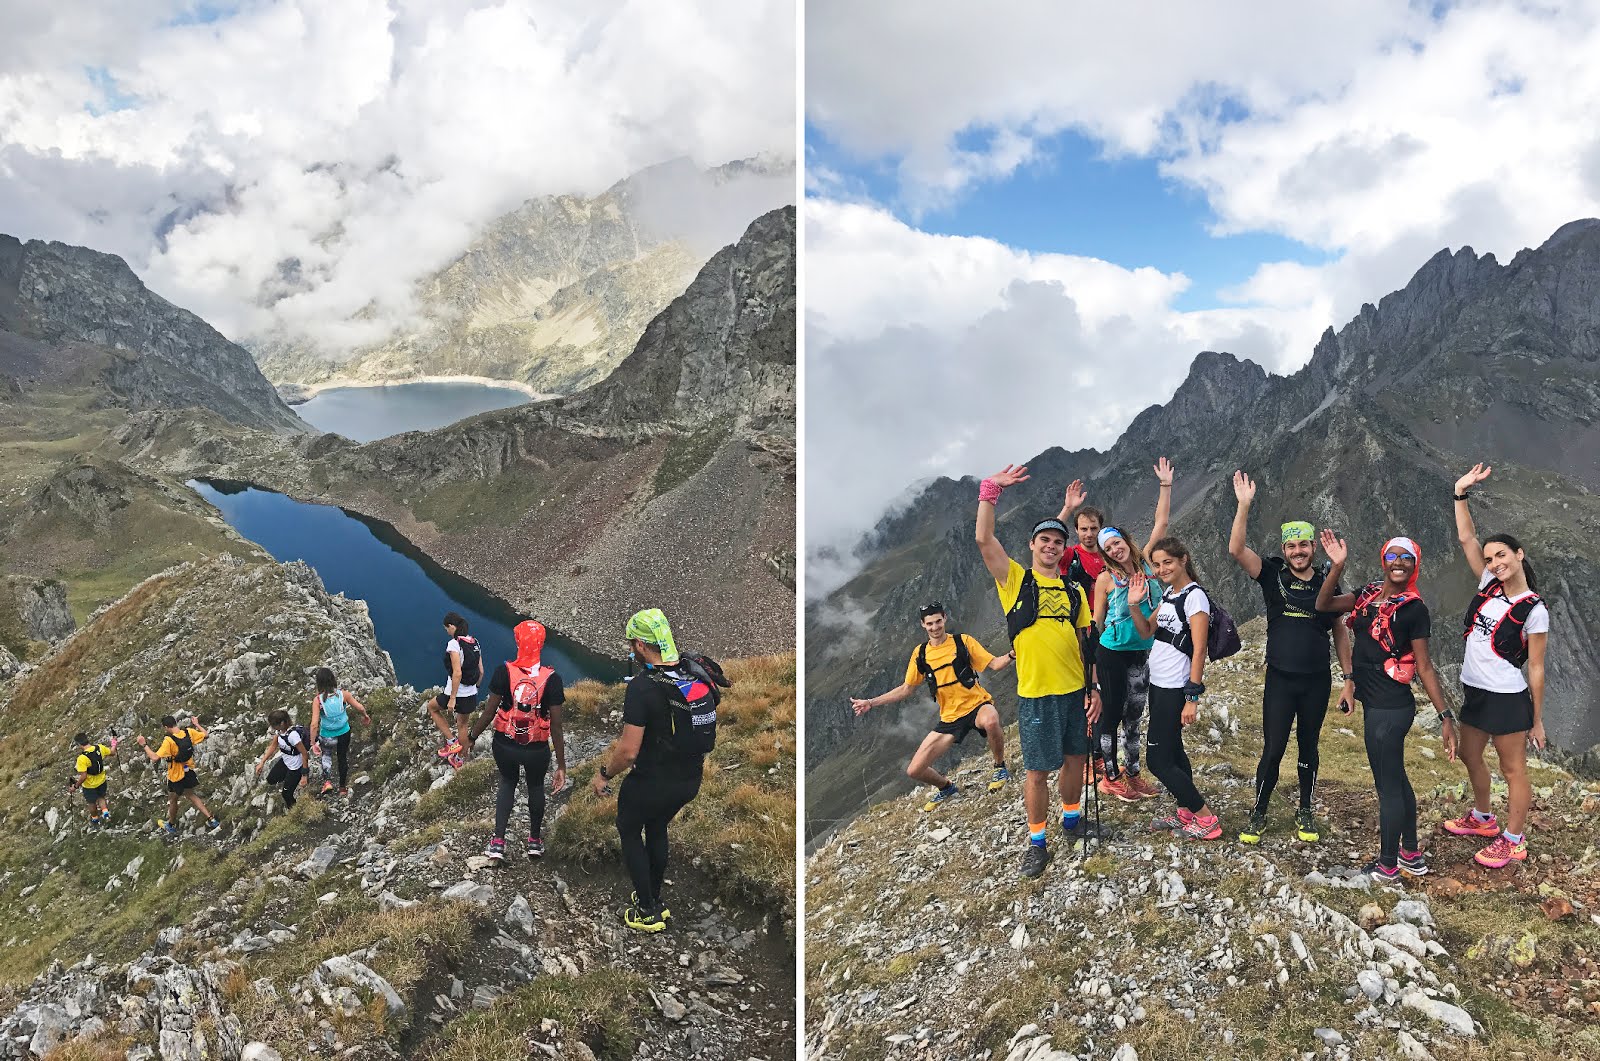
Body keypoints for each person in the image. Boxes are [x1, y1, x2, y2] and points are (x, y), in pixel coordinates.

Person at [975, 465, 1101, 879]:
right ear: (1031, 545)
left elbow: (1086, 641)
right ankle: (1037, 842)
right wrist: (991, 491)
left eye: (1057, 541)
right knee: (1036, 772)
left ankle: (1071, 820)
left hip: (1073, 692)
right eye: (1044, 540)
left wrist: (1093, 688)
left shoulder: (1074, 590)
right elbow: (984, 538)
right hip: (1035, 694)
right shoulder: (1014, 579)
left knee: (1074, 761)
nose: (1051, 546)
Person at [1316, 530, 1457, 888]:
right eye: (1392, 557)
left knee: (1387, 785)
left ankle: (1388, 865)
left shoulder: (1414, 609)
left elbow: (1424, 666)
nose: (1398, 563)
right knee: (1395, 778)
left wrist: (1444, 717)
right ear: (1384, 560)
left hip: (1391, 708)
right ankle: (1410, 853)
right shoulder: (1366, 594)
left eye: (1406, 558)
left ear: (1414, 565)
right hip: (1375, 702)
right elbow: (1324, 605)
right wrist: (1337, 567)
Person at [1227, 472, 1352, 845]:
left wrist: (1348, 677)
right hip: (1280, 679)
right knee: (1274, 746)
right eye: (1292, 546)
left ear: (1314, 547)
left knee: (1308, 746)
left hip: (1316, 680)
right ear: (1284, 550)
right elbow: (1236, 550)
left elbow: (1340, 629)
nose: (1298, 552)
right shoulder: (1271, 573)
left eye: (1304, 546)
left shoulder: (1328, 581)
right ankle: (1260, 810)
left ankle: (1306, 808)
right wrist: (1244, 504)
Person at [1440, 464, 1549, 868]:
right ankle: (1484, 818)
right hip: (1476, 691)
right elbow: (1466, 536)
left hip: (1507, 697)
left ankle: (1514, 838)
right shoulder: (1488, 585)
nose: (1494, 562)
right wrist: (1460, 492)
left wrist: (1536, 720)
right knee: (1471, 755)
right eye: (1490, 558)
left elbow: (1535, 668)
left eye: (1501, 555)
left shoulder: (1534, 611)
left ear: (1519, 555)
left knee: (1512, 767)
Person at [590, 609, 719, 932]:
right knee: (658, 826)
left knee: (630, 829)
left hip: (651, 782)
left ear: (640, 644)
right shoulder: (693, 673)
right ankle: (655, 898)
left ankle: (647, 909)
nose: (631, 651)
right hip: (689, 780)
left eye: (631, 644)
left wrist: (605, 774)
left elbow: (629, 751)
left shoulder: (643, 687)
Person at [850, 602, 1014, 809]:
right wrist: (870, 703)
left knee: (991, 720)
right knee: (914, 770)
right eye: (930, 623)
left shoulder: (963, 642)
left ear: (945, 618)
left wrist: (1011, 655)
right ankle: (946, 788)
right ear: (923, 625)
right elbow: (906, 689)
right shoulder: (920, 654)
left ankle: (1000, 767)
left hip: (976, 705)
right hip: (950, 718)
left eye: (938, 621)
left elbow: (994, 664)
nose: (935, 627)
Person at [1085, 458, 1173, 802]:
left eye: (1116, 543)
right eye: (1107, 548)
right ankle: (1110, 776)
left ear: (1125, 540)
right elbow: (1096, 622)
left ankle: (1134, 775)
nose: (1114, 549)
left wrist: (1165, 486)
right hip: (1111, 654)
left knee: (1135, 715)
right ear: (1104, 554)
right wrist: (1089, 667)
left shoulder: (1150, 562)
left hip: (1140, 651)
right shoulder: (1105, 580)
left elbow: (1162, 520)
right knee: (1111, 714)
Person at [1128, 537, 1223, 840]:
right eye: (1156, 564)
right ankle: (1186, 811)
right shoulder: (1171, 593)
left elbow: (1199, 649)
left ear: (1183, 560)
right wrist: (1133, 603)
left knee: (1157, 760)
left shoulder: (1195, 597)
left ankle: (1206, 819)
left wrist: (1192, 697)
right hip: (1158, 684)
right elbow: (1146, 630)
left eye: (1167, 562)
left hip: (1174, 688)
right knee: (1174, 750)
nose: (1161, 568)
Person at [470, 619, 567, 863]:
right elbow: (556, 724)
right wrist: (561, 764)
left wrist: (472, 737)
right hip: (536, 748)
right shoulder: (552, 678)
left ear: (517, 642)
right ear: (541, 644)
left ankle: (498, 842)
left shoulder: (504, 671)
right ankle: (534, 841)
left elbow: (489, 711)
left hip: (505, 744)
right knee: (535, 787)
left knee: (507, 783)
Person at [136, 715, 221, 836]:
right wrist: (196, 724)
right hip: (188, 770)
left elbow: (154, 757)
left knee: (173, 799)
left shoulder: (169, 741)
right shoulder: (189, 732)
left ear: (166, 727)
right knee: (190, 795)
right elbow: (206, 734)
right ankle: (211, 819)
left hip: (176, 775)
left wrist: (144, 744)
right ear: (175, 723)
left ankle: (170, 825)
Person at [422, 612, 482, 766]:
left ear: (452, 626)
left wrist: (453, 698)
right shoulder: (474, 642)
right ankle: (460, 759)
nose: (447, 632)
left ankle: (451, 742)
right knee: (463, 725)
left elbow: (457, 672)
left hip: (456, 693)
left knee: (432, 708)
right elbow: (481, 671)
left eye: (447, 628)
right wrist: (476, 687)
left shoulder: (454, 644)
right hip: (471, 692)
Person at [310, 667, 372, 797]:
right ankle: (342, 788)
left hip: (327, 735)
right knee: (342, 757)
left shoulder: (318, 700)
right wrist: (365, 716)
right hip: (344, 732)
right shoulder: (344, 695)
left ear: (319, 683)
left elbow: (314, 724)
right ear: (333, 680)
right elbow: (360, 707)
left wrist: (313, 742)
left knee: (326, 756)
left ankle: (327, 782)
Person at [253, 710, 310, 810]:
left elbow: (304, 754)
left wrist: (304, 775)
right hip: (285, 762)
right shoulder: (279, 732)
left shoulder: (293, 736)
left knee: (286, 794)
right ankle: (289, 782)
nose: (272, 727)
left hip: (295, 767)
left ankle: (294, 811)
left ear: (282, 723)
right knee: (271, 779)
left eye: (274, 725)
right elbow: (273, 745)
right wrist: (262, 762)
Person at [70, 733, 116, 824]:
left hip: (89, 786)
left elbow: (83, 776)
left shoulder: (82, 758)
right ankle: (106, 814)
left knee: (91, 803)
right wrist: (114, 742)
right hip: (102, 781)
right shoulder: (100, 748)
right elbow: (112, 752)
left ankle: (95, 819)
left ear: (79, 744)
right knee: (101, 797)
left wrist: (75, 786)